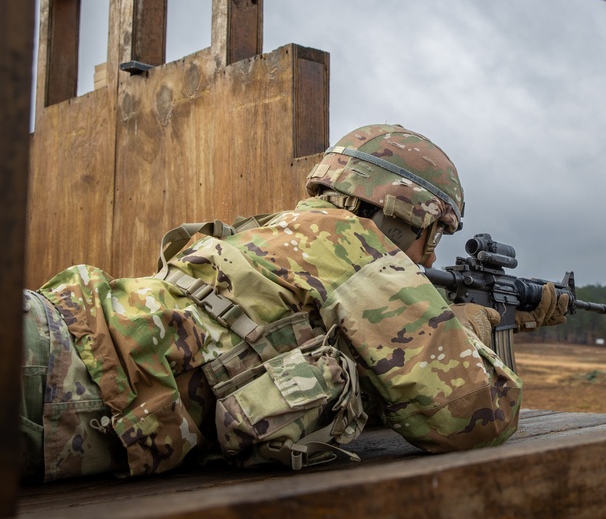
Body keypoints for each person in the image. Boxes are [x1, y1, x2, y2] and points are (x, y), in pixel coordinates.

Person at [20, 123, 568, 482]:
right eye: (435, 234)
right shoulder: (356, 244)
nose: (425, 259)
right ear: (407, 214)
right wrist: (466, 330)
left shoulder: (284, 231)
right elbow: (477, 417)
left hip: (59, 341)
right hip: (59, 379)